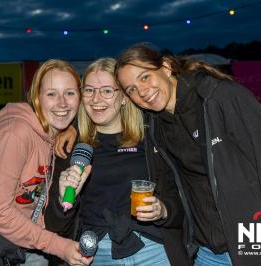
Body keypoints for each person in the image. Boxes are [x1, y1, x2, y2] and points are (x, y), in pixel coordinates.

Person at [114, 43, 261, 266]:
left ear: (166, 66)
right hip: (207, 254)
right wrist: (69, 129)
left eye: (144, 77)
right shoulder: (156, 126)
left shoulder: (221, 98)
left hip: (257, 248)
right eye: (131, 89)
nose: (141, 92)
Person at [45, 58, 191, 266]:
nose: (96, 99)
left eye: (106, 91)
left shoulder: (152, 136)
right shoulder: (71, 147)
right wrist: (63, 197)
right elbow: (54, 224)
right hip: (94, 252)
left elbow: (183, 195)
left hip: (153, 248)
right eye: (89, 90)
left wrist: (163, 210)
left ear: (123, 97)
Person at [0, 59, 93, 266]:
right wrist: (60, 246)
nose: (62, 103)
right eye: (52, 94)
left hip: (27, 244)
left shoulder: (53, 136)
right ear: (36, 97)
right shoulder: (16, 134)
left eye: (70, 93)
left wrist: (73, 128)